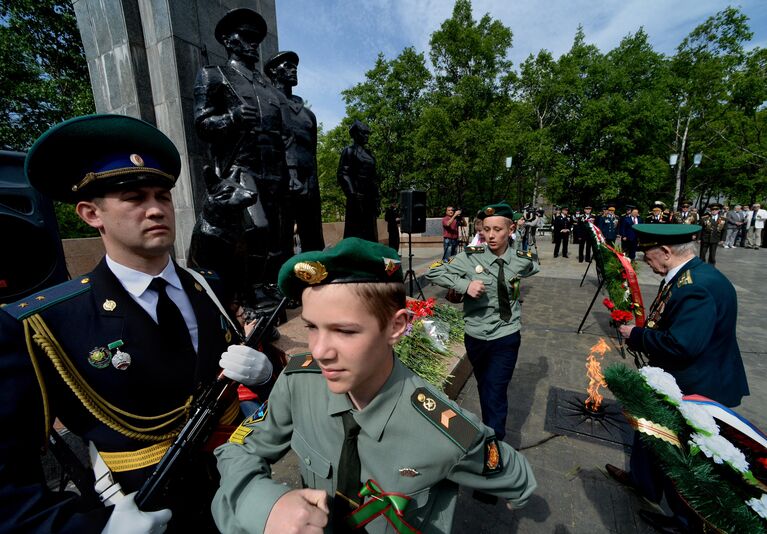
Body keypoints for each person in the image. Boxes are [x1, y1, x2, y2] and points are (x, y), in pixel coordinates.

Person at [0, 114, 274, 532]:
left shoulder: (209, 286)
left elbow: (237, 369)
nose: (156, 209)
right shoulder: (43, 321)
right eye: (133, 197)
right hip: (142, 507)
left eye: (162, 196)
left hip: (235, 483)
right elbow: (9, 482)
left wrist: (267, 370)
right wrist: (93, 529)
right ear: (91, 213)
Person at [212, 237, 537, 533]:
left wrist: (517, 500)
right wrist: (266, 506)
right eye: (312, 327)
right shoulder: (300, 385)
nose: (321, 351)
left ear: (397, 327)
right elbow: (239, 450)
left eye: (345, 331)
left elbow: (513, 475)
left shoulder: (443, 430)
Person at [609, 223, 749, 532]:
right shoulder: (689, 275)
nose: (645, 261)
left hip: (695, 385)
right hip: (678, 378)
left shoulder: (695, 287)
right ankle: (642, 481)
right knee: (647, 428)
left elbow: (682, 344)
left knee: (680, 456)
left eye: (647, 255)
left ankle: (685, 522)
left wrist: (637, 335)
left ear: (666, 252)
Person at [194, 8, 293, 299]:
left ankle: (267, 288)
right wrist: (232, 118)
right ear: (228, 40)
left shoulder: (270, 89)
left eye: (257, 39)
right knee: (256, 229)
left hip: (275, 171)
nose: (254, 44)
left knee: (277, 235)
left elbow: (283, 136)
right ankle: (247, 292)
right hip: (241, 169)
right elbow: (201, 123)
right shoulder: (214, 76)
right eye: (247, 37)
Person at [426, 203, 540, 441]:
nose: (490, 235)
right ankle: (490, 434)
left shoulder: (522, 259)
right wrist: (464, 285)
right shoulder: (470, 257)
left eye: (497, 229)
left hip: (506, 335)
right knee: (485, 387)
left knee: (495, 390)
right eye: (486, 229)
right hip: (476, 335)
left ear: (510, 230)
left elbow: (532, 267)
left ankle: (494, 444)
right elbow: (433, 271)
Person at [264, 50, 325, 253]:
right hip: (281, 184)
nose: (293, 69)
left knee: (314, 239)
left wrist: (314, 184)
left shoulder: (308, 115)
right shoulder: (268, 105)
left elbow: (313, 153)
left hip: (309, 184)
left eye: (295, 66)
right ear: (273, 71)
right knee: (281, 242)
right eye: (287, 65)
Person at [337, 120, 380, 242]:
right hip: (356, 198)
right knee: (355, 233)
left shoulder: (370, 154)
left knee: (370, 233)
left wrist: (377, 199)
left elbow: (373, 179)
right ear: (356, 134)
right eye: (363, 133)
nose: (366, 136)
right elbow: (343, 174)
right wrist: (353, 194)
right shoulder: (349, 151)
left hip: (369, 199)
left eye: (368, 134)